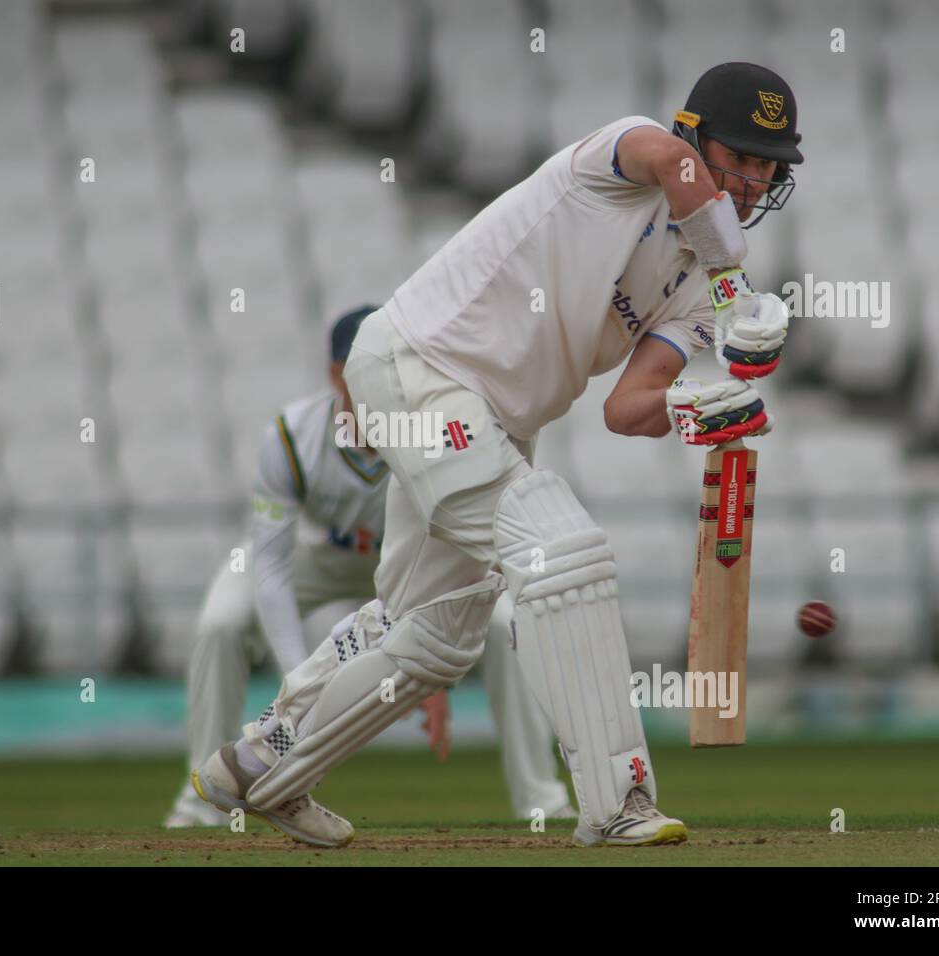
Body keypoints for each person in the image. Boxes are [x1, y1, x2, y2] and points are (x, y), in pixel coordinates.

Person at [194, 62, 799, 848]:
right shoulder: (628, 155)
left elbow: (626, 408)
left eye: (766, 164)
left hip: (496, 419)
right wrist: (735, 290)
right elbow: (670, 166)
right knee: (560, 551)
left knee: (434, 633)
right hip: (421, 366)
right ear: (695, 136)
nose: (751, 179)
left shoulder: (692, 288)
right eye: (740, 156)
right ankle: (619, 800)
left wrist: (703, 410)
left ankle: (255, 766)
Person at [165, 305, 572, 828]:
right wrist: (299, 687)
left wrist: (429, 675)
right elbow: (270, 568)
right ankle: (201, 808)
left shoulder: (434, 432)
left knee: (501, 623)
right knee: (221, 624)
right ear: (336, 374)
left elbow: (459, 555)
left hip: (405, 567)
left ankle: (541, 799)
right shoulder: (292, 437)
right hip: (313, 558)